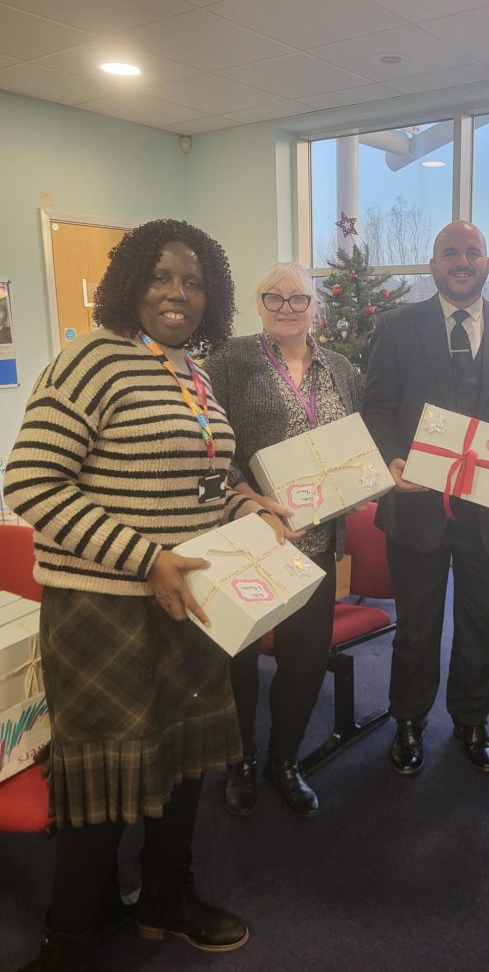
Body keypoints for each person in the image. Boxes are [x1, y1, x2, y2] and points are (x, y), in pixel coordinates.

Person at [4, 219, 274, 970]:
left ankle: (164, 899)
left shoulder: (192, 372)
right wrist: (141, 557)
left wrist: (251, 509)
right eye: (160, 278)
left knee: (182, 765)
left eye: (192, 281)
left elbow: (206, 486)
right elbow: (29, 483)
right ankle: (71, 936)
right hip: (103, 612)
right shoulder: (91, 361)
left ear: (212, 296)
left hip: (187, 604)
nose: (177, 294)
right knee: (104, 779)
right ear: (129, 285)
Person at [363, 221, 489, 775]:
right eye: (450, 252)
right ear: (433, 264)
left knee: (482, 624)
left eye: (472, 252)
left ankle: (472, 719)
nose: (461, 261)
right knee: (416, 626)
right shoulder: (397, 327)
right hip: (418, 505)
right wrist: (392, 459)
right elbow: (376, 406)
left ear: (488, 261)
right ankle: (409, 721)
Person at [205, 262, 358, 818]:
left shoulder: (339, 368)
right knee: (238, 661)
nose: (288, 307)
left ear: (315, 305)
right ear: (258, 302)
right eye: (275, 297)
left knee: (304, 660)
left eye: (299, 298)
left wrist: (358, 483)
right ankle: (240, 759)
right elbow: (208, 444)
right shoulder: (228, 362)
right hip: (245, 536)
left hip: (315, 544)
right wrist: (245, 493)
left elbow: (348, 445)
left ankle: (284, 759)